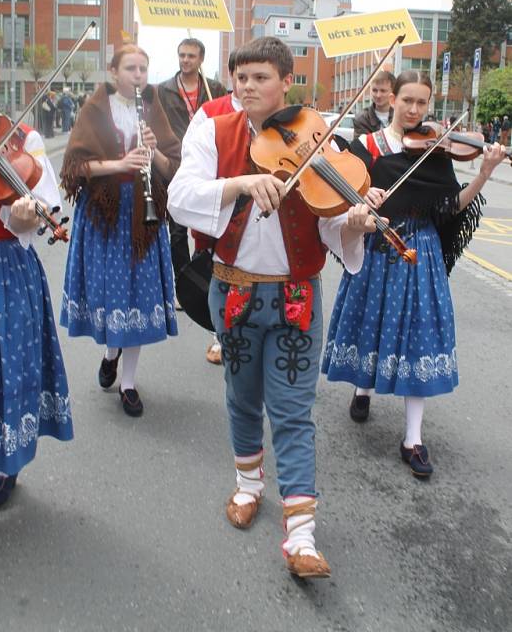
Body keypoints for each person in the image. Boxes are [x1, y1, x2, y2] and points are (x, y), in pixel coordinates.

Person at [168, 36, 381, 579]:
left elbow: (331, 217)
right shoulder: (212, 129)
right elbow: (179, 196)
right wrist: (239, 182)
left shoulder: (319, 135)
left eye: (260, 77)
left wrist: (352, 223)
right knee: (242, 399)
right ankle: (247, 484)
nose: (246, 86)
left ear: (287, 81)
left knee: (292, 409)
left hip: (296, 293)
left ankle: (302, 535)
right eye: (240, 77)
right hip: (233, 289)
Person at [322, 70, 506, 478]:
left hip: (420, 252)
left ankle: (413, 439)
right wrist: (361, 196)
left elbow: (451, 206)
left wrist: (484, 173)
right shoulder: (367, 146)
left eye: (423, 103)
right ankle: (363, 388)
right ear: (393, 99)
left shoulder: (436, 152)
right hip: (375, 246)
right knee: (370, 325)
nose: (414, 110)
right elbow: (339, 189)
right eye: (408, 100)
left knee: (418, 339)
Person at [60, 44, 181, 417]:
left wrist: (154, 150)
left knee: (138, 296)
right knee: (112, 292)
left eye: (143, 68)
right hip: (105, 212)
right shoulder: (96, 108)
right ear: (114, 72)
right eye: (131, 68)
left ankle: (128, 383)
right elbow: (75, 167)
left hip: (143, 213)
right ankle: (110, 353)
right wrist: (119, 163)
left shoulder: (152, 106)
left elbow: (171, 166)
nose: (139, 75)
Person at [0, 42, 73, 511]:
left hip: (6, 267)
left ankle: (2, 463)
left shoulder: (24, 140)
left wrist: (22, 214)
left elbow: (34, 218)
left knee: (3, 366)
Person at [182, 49, 242, 365]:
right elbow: (189, 152)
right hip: (218, 205)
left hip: (251, 210)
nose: (248, 84)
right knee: (213, 271)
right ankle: (217, 333)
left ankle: (239, 331)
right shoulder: (211, 111)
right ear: (231, 76)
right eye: (241, 76)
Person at [157, 38, 227, 290]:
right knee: (176, 229)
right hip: (176, 161)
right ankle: (183, 283)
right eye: (182, 55)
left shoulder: (215, 88)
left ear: (201, 60)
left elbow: (228, 118)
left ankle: (204, 280)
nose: (185, 60)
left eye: (191, 56)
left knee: (205, 226)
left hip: (208, 160)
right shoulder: (163, 90)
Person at [352, 70, 395, 137]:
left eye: (383, 91)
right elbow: (361, 146)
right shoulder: (362, 118)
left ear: (393, 92)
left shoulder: (401, 116)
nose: (378, 95)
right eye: (374, 90)